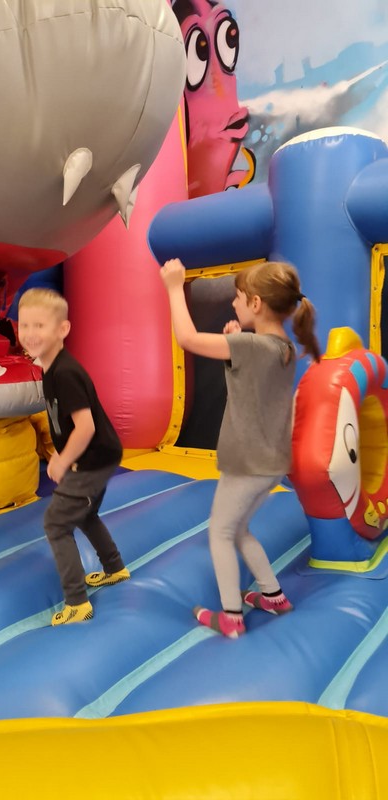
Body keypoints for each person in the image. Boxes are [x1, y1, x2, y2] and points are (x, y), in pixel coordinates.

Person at [160, 258, 321, 638]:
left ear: (256, 304)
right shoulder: (282, 346)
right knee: (239, 529)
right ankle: (273, 595)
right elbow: (250, 382)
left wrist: (174, 288)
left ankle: (231, 617)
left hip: (247, 464)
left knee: (219, 532)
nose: (233, 303)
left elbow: (188, 339)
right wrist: (236, 341)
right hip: (271, 464)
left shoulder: (251, 346)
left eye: (238, 297)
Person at [17, 288, 130, 625]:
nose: (30, 333)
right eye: (25, 325)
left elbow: (86, 426)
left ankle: (77, 602)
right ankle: (115, 568)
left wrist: (63, 460)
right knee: (85, 513)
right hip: (99, 454)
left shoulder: (65, 372)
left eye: (39, 326)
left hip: (91, 459)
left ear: (62, 329)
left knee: (55, 523)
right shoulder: (49, 367)